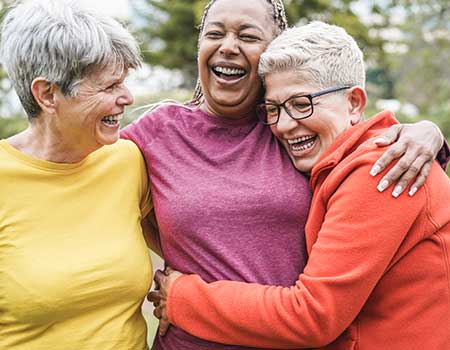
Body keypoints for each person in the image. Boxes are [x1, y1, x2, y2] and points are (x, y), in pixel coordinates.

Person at [122, 0, 448, 349]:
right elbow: (90, 175)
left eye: (247, 35)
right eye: (214, 33)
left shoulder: (317, 146)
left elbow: (314, 313)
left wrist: (429, 135)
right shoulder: (160, 133)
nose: (287, 121)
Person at [0, 1, 153, 349]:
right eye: (109, 86)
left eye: (124, 82)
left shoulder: (127, 161)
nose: (127, 97)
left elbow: (186, 249)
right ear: (48, 94)